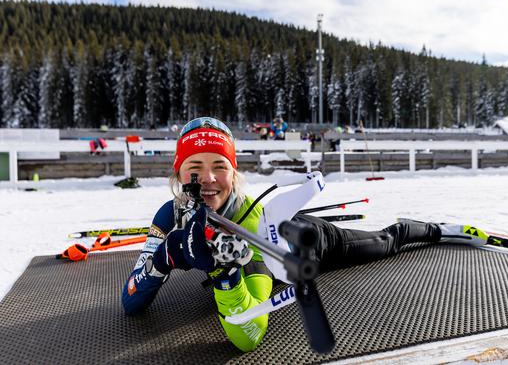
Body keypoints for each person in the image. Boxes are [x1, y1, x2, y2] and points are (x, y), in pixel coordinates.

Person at [121, 117, 464, 352]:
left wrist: (223, 275)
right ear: (179, 174)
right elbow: (130, 303)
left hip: (311, 243)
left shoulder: (250, 222)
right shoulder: (171, 215)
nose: (208, 179)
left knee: (384, 241)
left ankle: (433, 230)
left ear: (234, 172)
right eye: (195, 169)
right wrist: (162, 258)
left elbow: (250, 336)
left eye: (219, 167)